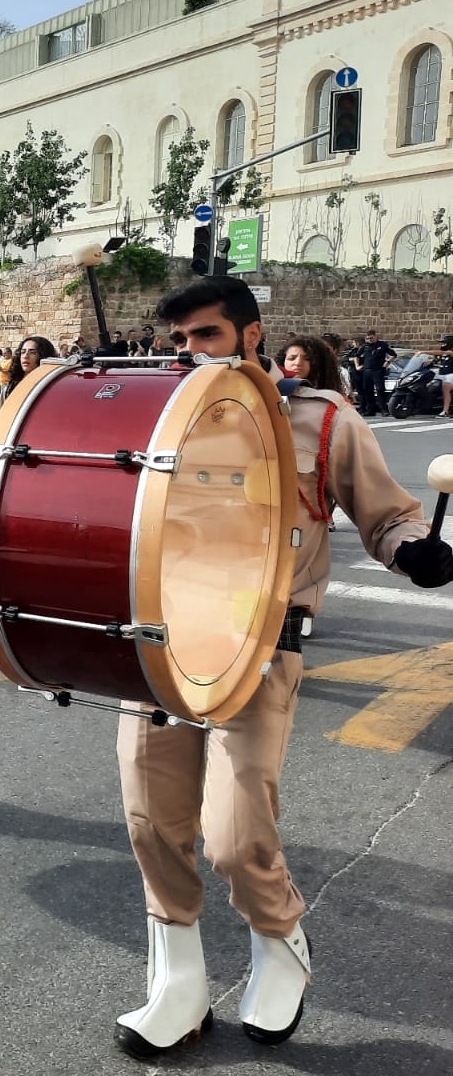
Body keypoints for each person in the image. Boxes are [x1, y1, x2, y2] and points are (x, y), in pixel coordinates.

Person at [111, 276, 453, 1058]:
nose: (191, 353)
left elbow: (387, 512)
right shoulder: (159, 414)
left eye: (207, 336)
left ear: (251, 335)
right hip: (159, 644)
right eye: (181, 340)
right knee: (151, 823)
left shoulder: (318, 419)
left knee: (235, 836)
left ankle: (280, 937)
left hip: (260, 644)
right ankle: (179, 981)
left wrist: (414, 550)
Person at [351, 329, 396, 415]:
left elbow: (393, 355)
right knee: (368, 390)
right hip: (367, 370)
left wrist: (387, 362)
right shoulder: (365, 346)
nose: (370, 340)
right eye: (368, 338)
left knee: (380, 389)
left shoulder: (382, 345)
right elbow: (356, 356)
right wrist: (357, 366)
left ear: (375, 336)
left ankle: (384, 409)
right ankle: (371, 409)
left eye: (371, 338)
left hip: (378, 370)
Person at [282, 336, 346, 395]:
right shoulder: (275, 394)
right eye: (292, 358)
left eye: (307, 359)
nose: (298, 363)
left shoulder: (334, 400)